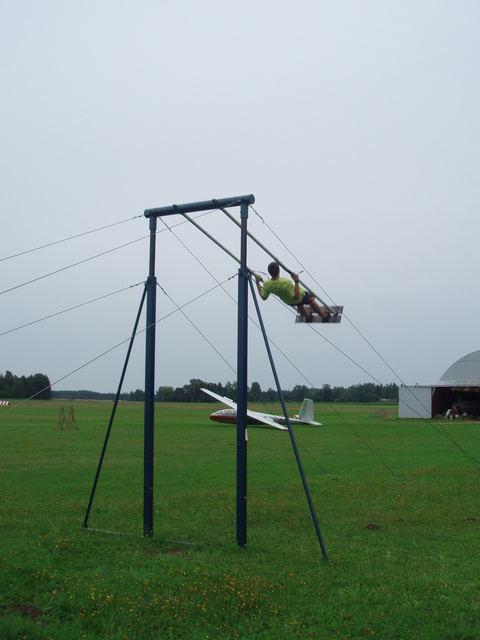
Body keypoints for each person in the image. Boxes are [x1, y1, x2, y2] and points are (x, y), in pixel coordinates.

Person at [255, 261, 330, 322]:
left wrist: (257, 283)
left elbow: (263, 297)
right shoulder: (285, 282)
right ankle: (324, 317)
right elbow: (297, 297)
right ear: (279, 270)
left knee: (299, 304)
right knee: (311, 299)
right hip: (299, 297)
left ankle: (308, 316)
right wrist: (296, 281)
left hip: (288, 301)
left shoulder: (267, 284)